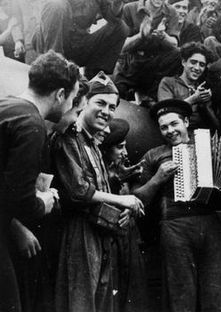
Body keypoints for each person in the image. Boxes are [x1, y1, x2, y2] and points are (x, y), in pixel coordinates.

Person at [52, 72, 144, 312]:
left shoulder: (92, 142)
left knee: (102, 302)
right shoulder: (68, 138)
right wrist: (123, 199)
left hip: (101, 230)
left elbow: (102, 189)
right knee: (81, 303)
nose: (107, 111)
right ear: (84, 104)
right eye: (100, 103)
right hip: (79, 233)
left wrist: (121, 209)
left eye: (112, 107)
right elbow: (79, 191)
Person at [132, 99, 221, 311]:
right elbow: (137, 198)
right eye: (164, 127)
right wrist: (157, 178)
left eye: (174, 124)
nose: (170, 131)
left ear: (186, 122)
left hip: (213, 224)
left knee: (219, 291)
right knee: (181, 293)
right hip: (174, 226)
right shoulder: (153, 155)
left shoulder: (210, 147)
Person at [0, 50, 80, 312]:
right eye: (72, 98)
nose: (70, 107)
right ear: (59, 94)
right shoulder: (32, 124)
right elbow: (19, 200)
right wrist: (42, 202)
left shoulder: (7, 107)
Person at [98, 118, 148, 312]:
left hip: (129, 240)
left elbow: (137, 203)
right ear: (105, 149)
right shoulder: (99, 173)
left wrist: (131, 210)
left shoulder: (122, 169)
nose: (125, 153)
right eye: (119, 148)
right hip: (109, 242)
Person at [33, 0, 128, 78]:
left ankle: (96, 78)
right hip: (52, 43)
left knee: (121, 28)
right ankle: (53, 67)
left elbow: (113, 18)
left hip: (77, 46)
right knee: (56, 4)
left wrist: (117, 2)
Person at [158, 42, 219, 129]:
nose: (197, 68)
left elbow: (215, 125)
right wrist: (193, 99)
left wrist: (204, 103)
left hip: (200, 135)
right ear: (183, 62)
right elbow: (167, 113)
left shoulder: (202, 89)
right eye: (193, 62)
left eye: (202, 65)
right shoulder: (168, 83)